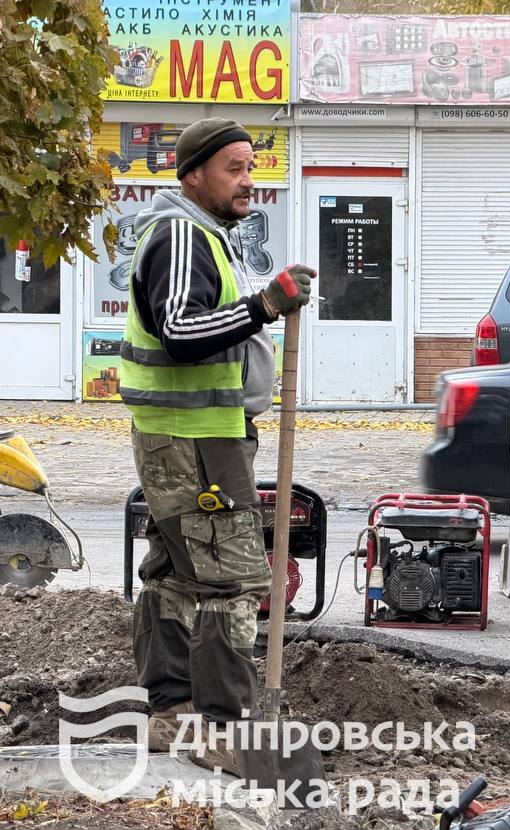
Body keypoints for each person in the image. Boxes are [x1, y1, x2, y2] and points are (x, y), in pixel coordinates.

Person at [121, 118, 317, 774]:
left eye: (250, 166)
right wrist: (264, 305)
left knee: (177, 572)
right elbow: (181, 328)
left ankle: (173, 712)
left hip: (201, 435)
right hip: (194, 442)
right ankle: (225, 729)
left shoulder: (203, 234)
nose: (248, 179)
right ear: (194, 173)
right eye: (233, 168)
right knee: (231, 579)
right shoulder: (181, 234)